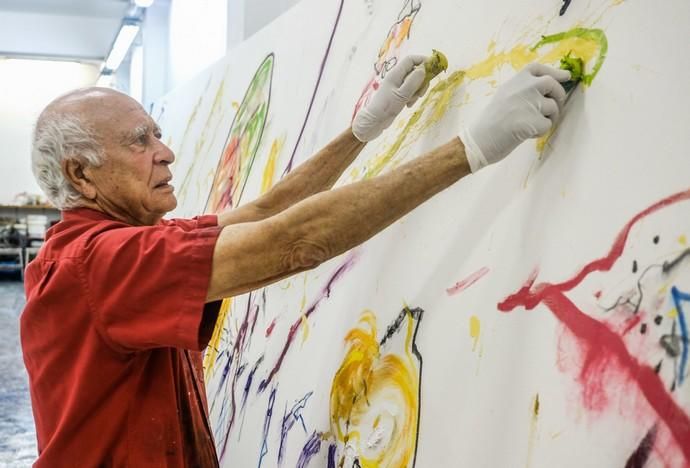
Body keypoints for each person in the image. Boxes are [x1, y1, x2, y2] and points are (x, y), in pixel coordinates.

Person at [21, 55, 570, 466]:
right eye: (140, 141)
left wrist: (361, 132)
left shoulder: (123, 242)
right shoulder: (102, 263)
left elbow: (264, 212)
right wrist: (469, 148)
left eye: (158, 134)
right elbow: (292, 241)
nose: (165, 151)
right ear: (81, 174)